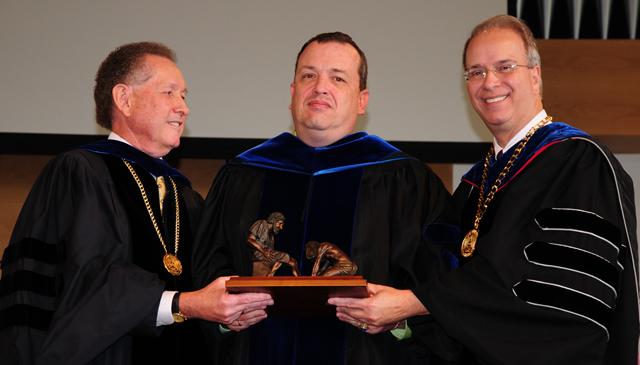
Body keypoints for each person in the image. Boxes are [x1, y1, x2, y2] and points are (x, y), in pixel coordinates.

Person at [329, 15, 639, 365]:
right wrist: (401, 316)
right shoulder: (473, 186)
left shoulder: (578, 161)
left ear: (535, 76)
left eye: (504, 67)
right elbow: (452, 296)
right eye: (476, 72)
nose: (490, 82)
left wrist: (415, 301)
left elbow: (558, 298)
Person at [0, 41, 272, 365]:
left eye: (184, 96)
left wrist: (227, 319)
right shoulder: (80, 173)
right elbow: (90, 279)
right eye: (169, 92)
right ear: (124, 99)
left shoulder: (186, 199)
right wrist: (182, 303)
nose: (183, 107)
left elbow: (203, 291)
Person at [192, 32, 450, 365]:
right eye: (308, 75)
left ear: (362, 100)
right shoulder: (242, 174)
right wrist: (224, 320)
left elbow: (439, 282)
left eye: (338, 78)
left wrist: (401, 320)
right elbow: (208, 267)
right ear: (292, 93)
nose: (320, 86)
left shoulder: (405, 181)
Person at [247, 212, 300, 276]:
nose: (281, 227)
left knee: (293, 262)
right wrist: (263, 251)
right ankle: (300, 281)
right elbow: (250, 240)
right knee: (288, 258)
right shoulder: (262, 223)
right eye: (280, 224)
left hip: (267, 258)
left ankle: (272, 272)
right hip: (259, 256)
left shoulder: (271, 237)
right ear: (273, 221)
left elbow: (270, 254)